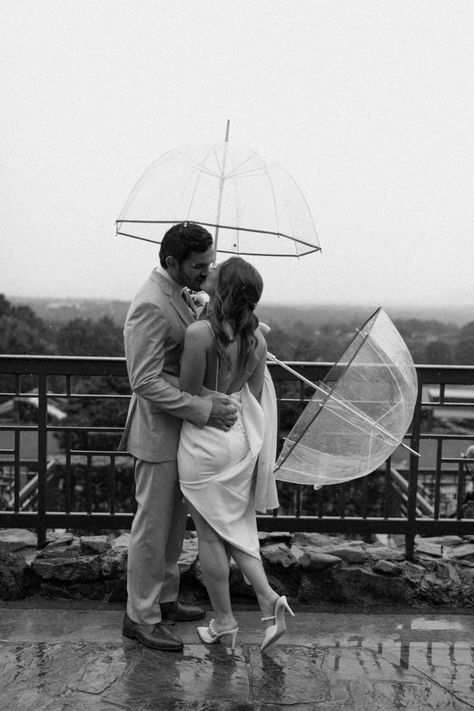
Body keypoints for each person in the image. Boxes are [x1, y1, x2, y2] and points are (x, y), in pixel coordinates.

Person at [119, 222, 238, 652]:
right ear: (172, 262)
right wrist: (203, 409)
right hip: (156, 433)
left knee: (173, 527)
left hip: (178, 434)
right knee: (152, 528)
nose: (208, 272)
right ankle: (141, 617)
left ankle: (165, 600)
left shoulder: (181, 292)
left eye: (211, 263)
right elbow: (145, 380)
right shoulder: (150, 304)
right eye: (199, 265)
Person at [178, 256, 294, 652]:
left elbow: (188, 392)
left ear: (223, 289)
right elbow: (254, 391)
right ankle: (267, 599)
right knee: (237, 529)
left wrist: (201, 323)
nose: (208, 273)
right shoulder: (257, 338)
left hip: (205, 440)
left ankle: (226, 622)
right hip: (240, 438)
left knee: (210, 537)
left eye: (214, 273)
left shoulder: (198, 334)